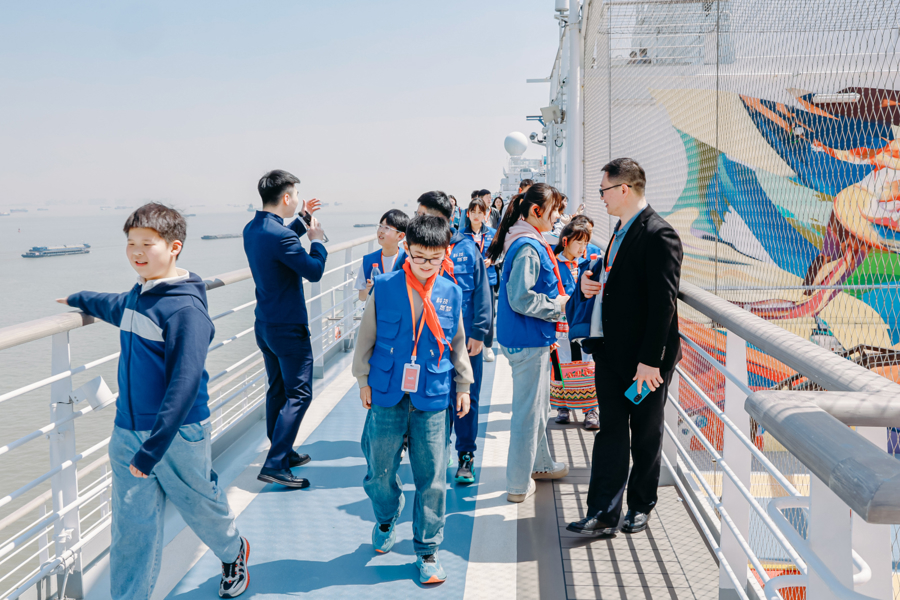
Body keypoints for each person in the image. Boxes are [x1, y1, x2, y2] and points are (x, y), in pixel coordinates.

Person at [57, 203, 249, 599]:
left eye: (148, 243)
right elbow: (114, 306)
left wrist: (152, 450)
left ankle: (234, 552)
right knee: (132, 529)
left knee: (199, 504)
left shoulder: (185, 310)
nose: (137, 252)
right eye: (131, 243)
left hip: (177, 432)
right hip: (127, 429)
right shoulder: (139, 295)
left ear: (174, 247)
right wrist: (79, 298)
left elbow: (184, 385)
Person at [353, 215, 473, 584]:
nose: (426, 265)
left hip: (432, 394)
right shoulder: (385, 286)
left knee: (433, 477)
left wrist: (463, 386)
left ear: (445, 254)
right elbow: (366, 336)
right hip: (386, 390)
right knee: (378, 471)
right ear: (407, 248)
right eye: (419, 257)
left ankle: (427, 550)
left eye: (435, 259)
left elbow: (457, 343)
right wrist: (362, 379)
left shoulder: (450, 292)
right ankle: (387, 515)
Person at [565, 158, 683, 537]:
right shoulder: (619, 230)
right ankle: (602, 510)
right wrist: (589, 282)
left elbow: (664, 304)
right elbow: (617, 278)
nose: (601, 197)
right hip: (611, 352)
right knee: (611, 431)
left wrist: (651, 361)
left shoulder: (660, 235)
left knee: (646, 433)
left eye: (604, 190)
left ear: (624, 189)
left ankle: (641, 504)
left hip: (646, 359)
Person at [395, 191, 491, 485]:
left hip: (464, 342)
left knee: (467, 398)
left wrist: (479, 332)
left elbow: (482, 292)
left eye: (421, 213)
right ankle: (439, 449)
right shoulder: (412, 251)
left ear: (439, 217)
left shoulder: (467, 249)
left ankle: (466, 455)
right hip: (427, 345)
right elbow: (395, 291)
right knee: (433, 397)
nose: (416, 218)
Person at [486, 183, 573, 503]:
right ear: (536, 211)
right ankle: (518, 484)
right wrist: (557, 305)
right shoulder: (528, 247)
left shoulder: (523, 239)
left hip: (527, 337)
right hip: (528, 340)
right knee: (528, 413)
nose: (558, 217)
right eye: (555, 211)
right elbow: (521, 297)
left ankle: (541, 463)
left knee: (538, 407)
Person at [243, 169, 327, 489]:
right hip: (288, 328)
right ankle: (276, 463)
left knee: (277, 390)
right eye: (296, 196)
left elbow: (279, 242)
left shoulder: (253, 228)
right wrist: (316, 241)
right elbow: (313, 271)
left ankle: (282, 450)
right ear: (287, 197)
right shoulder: (281, 236)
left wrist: (303, 220)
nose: (297, 201)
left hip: (265, 324)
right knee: (299, 393)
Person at [551, 219, 599, 429]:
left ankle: (590, 410)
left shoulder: (587, 264)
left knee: (587, 364)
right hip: (560, 324)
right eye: (579, 242)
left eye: (585, 243)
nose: (582, 247)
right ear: (565, 241)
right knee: (560, 364)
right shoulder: (553, 264)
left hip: (582, 322)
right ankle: (563, 407)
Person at [462, 194, 498, 363]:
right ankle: (466, 343)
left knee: (488, 314)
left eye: (480, 212)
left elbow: (501, 253)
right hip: (467, 281)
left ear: (486, 214)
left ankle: (487, 345)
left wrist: (492, 260)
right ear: (468, 214)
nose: (476, 215)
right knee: (468, 311)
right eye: (473, 211)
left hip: (488, 279)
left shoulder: (493, 234)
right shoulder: (461, 235)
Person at [356, 209, 409, 301]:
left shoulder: (408, 260)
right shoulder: (368, 260)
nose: (381, 231)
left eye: (387, 228)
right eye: (380, 226)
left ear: (400, 236)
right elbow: (361, 297)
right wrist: (368, 289)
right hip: (377, 309)